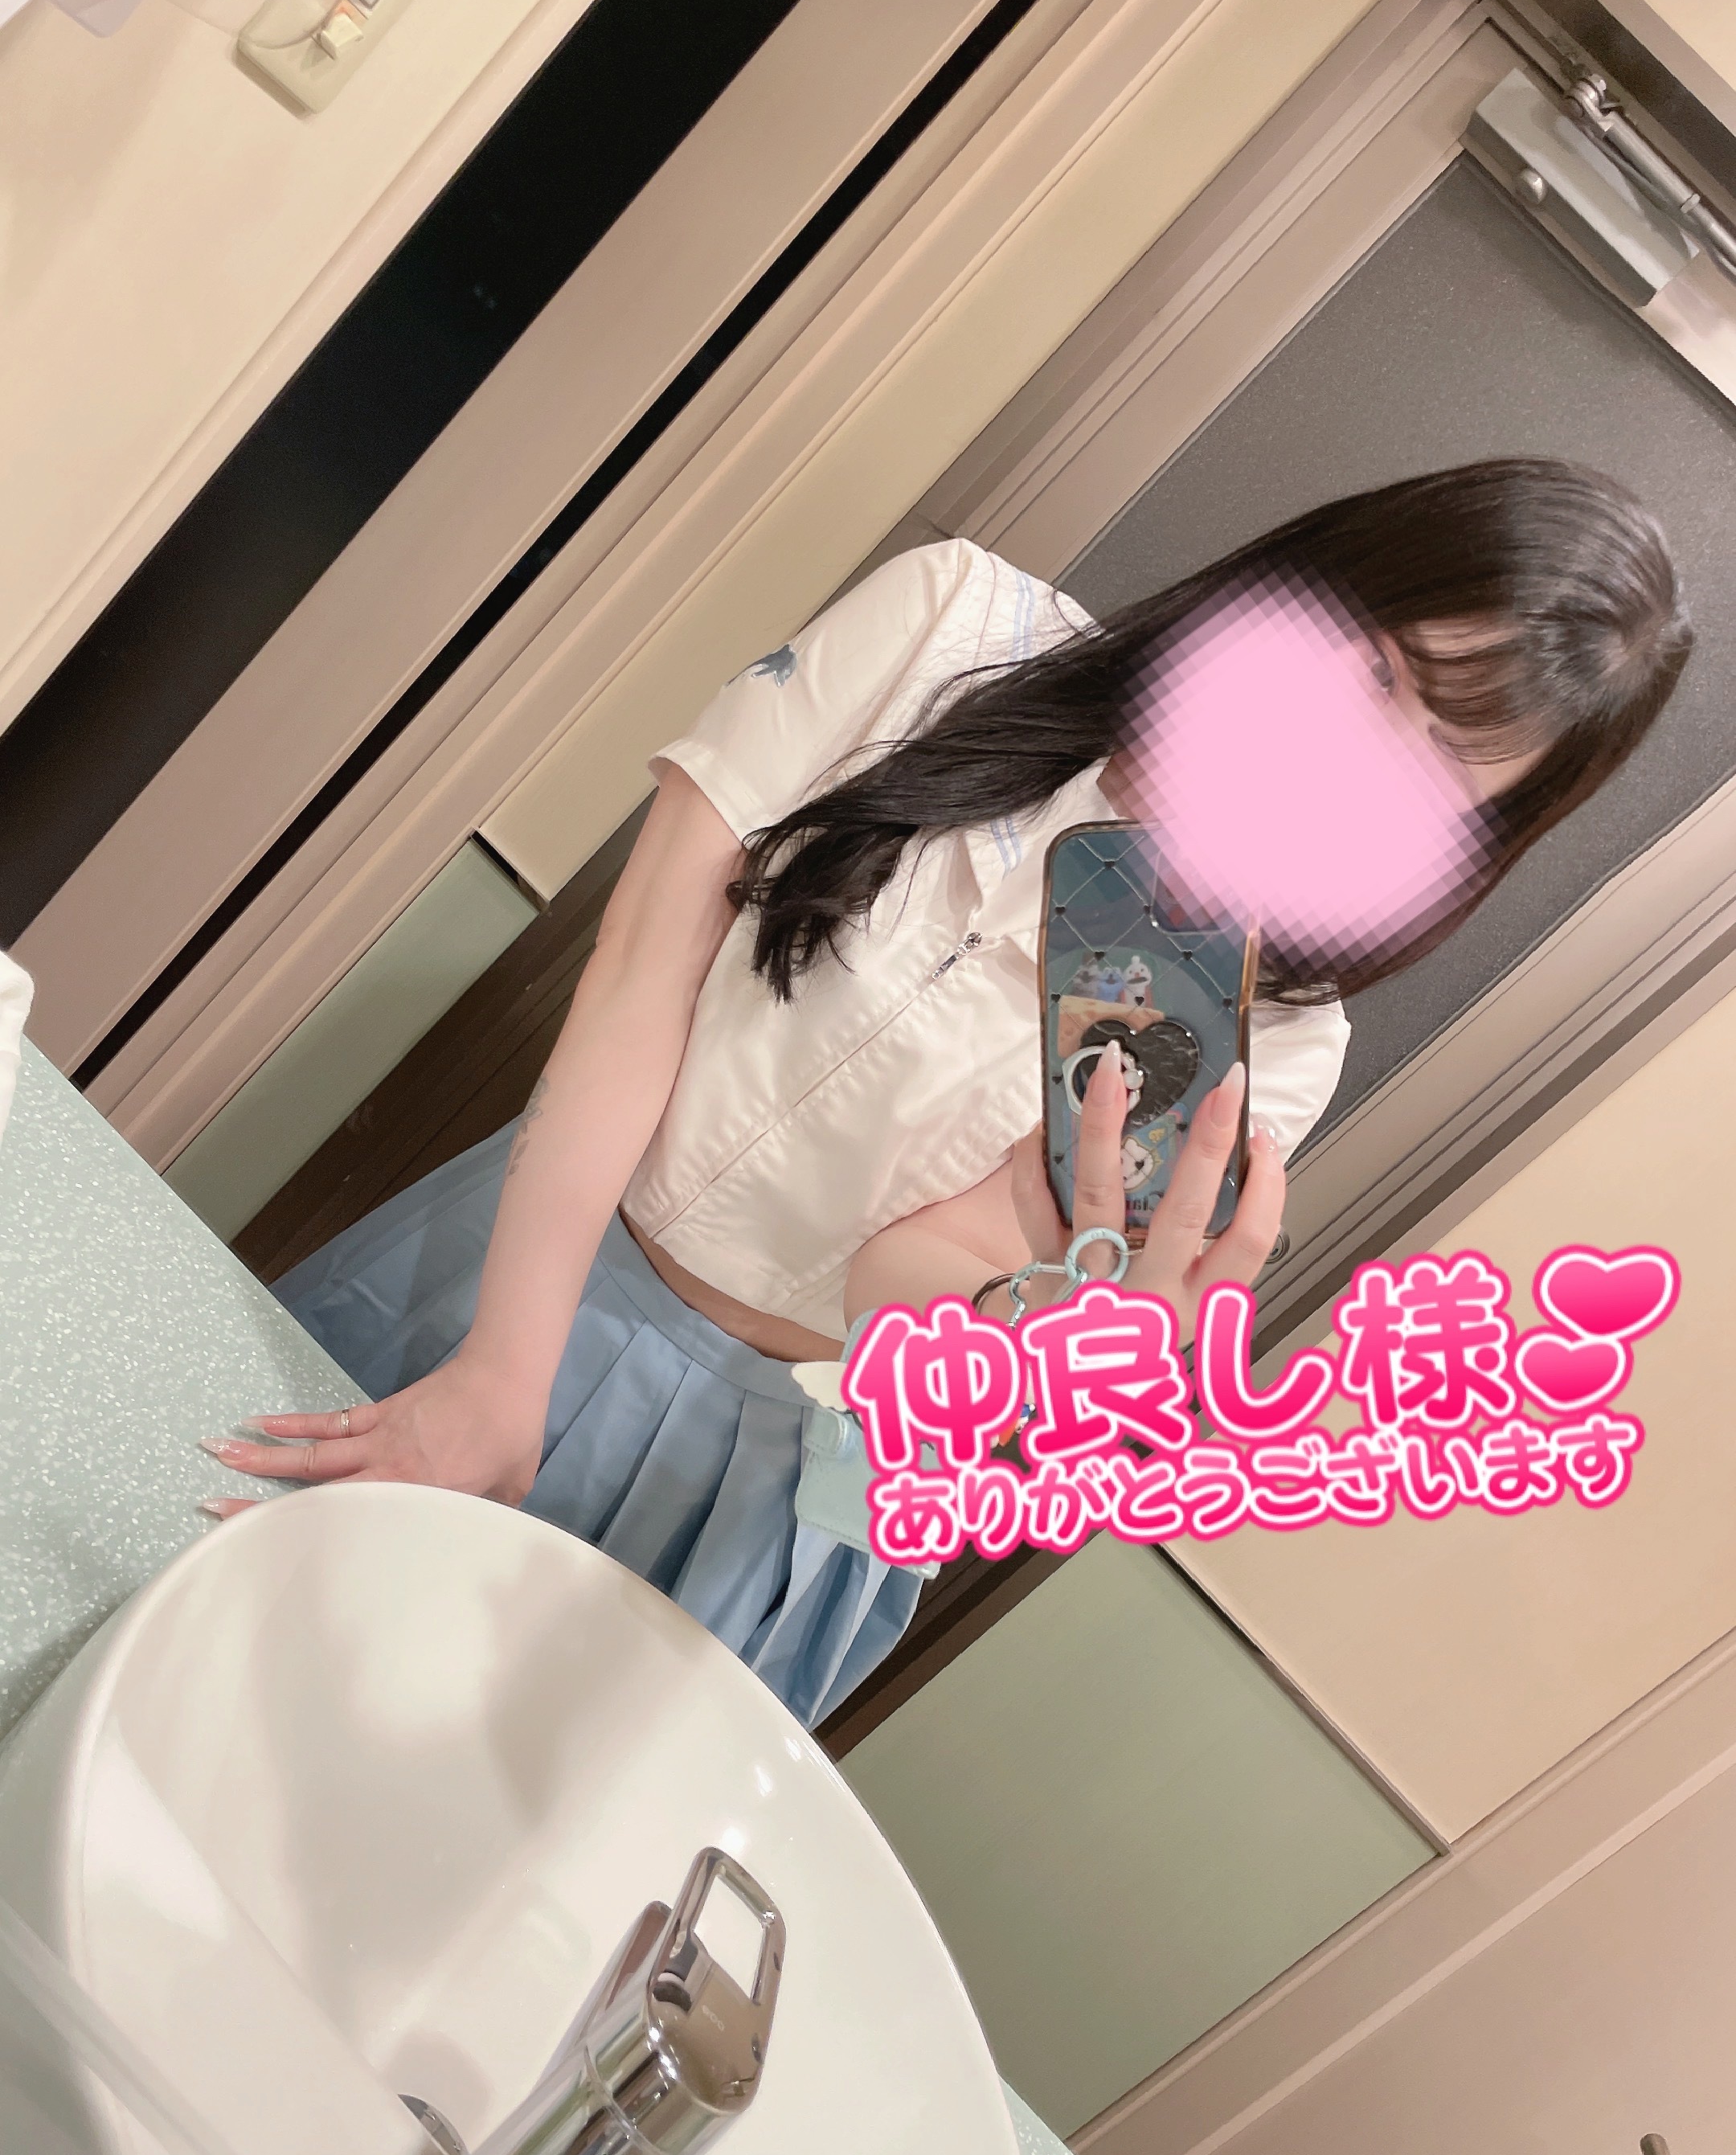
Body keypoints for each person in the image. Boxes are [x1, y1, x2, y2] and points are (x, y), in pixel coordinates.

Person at [203, 459, 1692, 1724]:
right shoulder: (950, 630)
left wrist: (1039, 1326)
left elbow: (914, 1284)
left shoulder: (1275, 1039)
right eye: (1374, 676)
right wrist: (505, 1369)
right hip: (521, 1272)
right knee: (193, 1655)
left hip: (783, 1489)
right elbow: (641, 976)